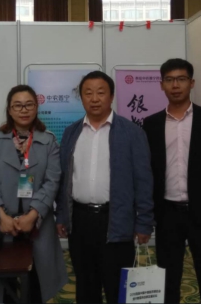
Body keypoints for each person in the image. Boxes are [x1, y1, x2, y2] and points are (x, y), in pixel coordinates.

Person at [55, 71, 154, 304]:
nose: (94, 98)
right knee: (85, 285)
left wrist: (144, 222)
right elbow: (64, 179)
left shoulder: (132, 133)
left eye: (101, 92)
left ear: (111, 96)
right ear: (81, 98)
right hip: (80, 221)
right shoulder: (71, 133)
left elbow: (144, 180)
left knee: (117, 287)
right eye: (88, 93)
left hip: (116, 220)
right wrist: (62, 216)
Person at [143, 58, 201, 304]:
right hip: (166, 213)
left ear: (191, 83)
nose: (176, 85)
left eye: (181, 79)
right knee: (168, 280)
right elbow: (147, 171)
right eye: (170, 80)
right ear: (161, 85)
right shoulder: (151, 124)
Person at [0, 85, 67, 303]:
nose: (24, 110)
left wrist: (33, 215)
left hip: (36, 226)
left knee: (35, 287)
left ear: (36, 108)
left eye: (29, 105)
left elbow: (52, 182)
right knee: (1, 288)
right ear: (9, 109)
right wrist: (0, 216)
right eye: (18, 105)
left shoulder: (49, 141)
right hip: (1, 225)